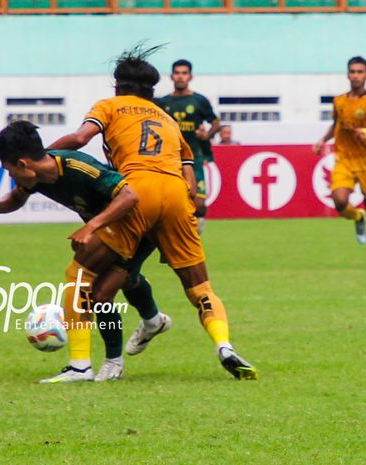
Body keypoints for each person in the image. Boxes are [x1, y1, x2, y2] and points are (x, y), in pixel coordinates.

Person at [48, 46, 258, 381]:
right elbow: (190, 178)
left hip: (135, 194)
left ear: (116, 86)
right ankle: (224, 345)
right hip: (175, 196)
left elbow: (79, 138)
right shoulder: (167, 119)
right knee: (199, 287)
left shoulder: (109, 106)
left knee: (84, 276)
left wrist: (43, 155)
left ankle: (81, 365)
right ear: (152, 91)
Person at [0, 121, 169, 383]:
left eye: (9, 170)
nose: (10, 176)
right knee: (108, 289)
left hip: (138, 224)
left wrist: (91, 227)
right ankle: (150, 324)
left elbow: (129, 197)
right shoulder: (36, 177)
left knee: (85, 281)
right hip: (114, 227)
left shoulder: (78, 168)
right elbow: (15, 200)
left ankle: (88, 365)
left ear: (24, 163)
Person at [313, 56, 366, 269]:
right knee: (339, 201)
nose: (356, 75)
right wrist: (323, 140)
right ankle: (357, 217)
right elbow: (336, 124)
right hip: (345, 160)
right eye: (353, 71)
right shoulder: (339, 101)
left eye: (360, 71)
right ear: (348, 74)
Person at [154, 59, 221, 234]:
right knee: (170, 200)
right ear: (171, 76)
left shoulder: (199, 100)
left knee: (199, 204)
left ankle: (198, 222)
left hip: (194, 157)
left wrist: (208, 135)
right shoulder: (163, 103)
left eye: (184, 73)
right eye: (177, 73)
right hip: (170, 158)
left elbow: (216, 122)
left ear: (190, 76)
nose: (180, 76)